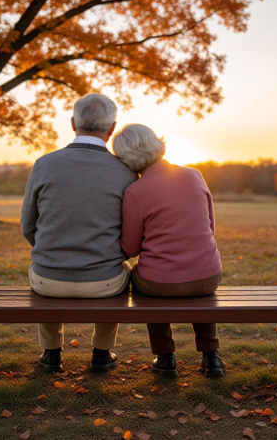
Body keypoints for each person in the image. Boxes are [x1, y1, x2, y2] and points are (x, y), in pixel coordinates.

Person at [21, 93, 138, 373]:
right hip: (104, 282)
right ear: (111, 128)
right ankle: (101, 351)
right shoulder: (126, 171)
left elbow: (28, 225)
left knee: (44, 268)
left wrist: (54, 250)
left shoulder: (44, 164)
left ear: (73, 124)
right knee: (121, 271)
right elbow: (131, 233)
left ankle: (51, 353)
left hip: (48, 280)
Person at [113, 124, 225, 378]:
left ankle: (165, 357)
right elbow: (210, 227)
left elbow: (130, 248)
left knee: (138, 278)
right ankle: (212, 356)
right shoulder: (194, 174)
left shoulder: (135, 191)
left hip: (158, 283)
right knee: (197, 287)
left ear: (126, 159)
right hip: (208, 277)